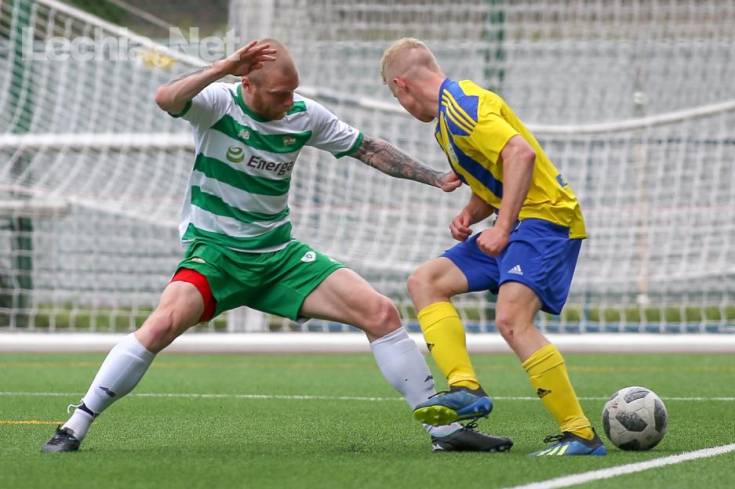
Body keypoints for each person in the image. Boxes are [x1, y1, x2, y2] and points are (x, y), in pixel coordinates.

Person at [41, 39, 513, 454]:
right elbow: (167, 97)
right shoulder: (218, 104)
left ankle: (445, 431)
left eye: (293, 92)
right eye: (280, 94)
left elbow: (367, 147)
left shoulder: (303, 114)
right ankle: (75, 424)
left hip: (279, 258)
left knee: (380, 312)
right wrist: (224, 66)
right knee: (161, 325)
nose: (290, 102)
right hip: (217, 255)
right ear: (247, 84)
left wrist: (434, 177)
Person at [379, 38, 607, 456]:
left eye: (397, 99)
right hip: (519, 222)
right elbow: (498, 175)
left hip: (547, 218)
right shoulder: (446, 122)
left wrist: (501, 227)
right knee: (426, 281)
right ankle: (466, 388)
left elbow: (520, 155)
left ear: (402, 85)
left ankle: (581, 435)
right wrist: (471, 212)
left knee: (511, 320)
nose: (403, 107)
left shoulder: (463, 106)